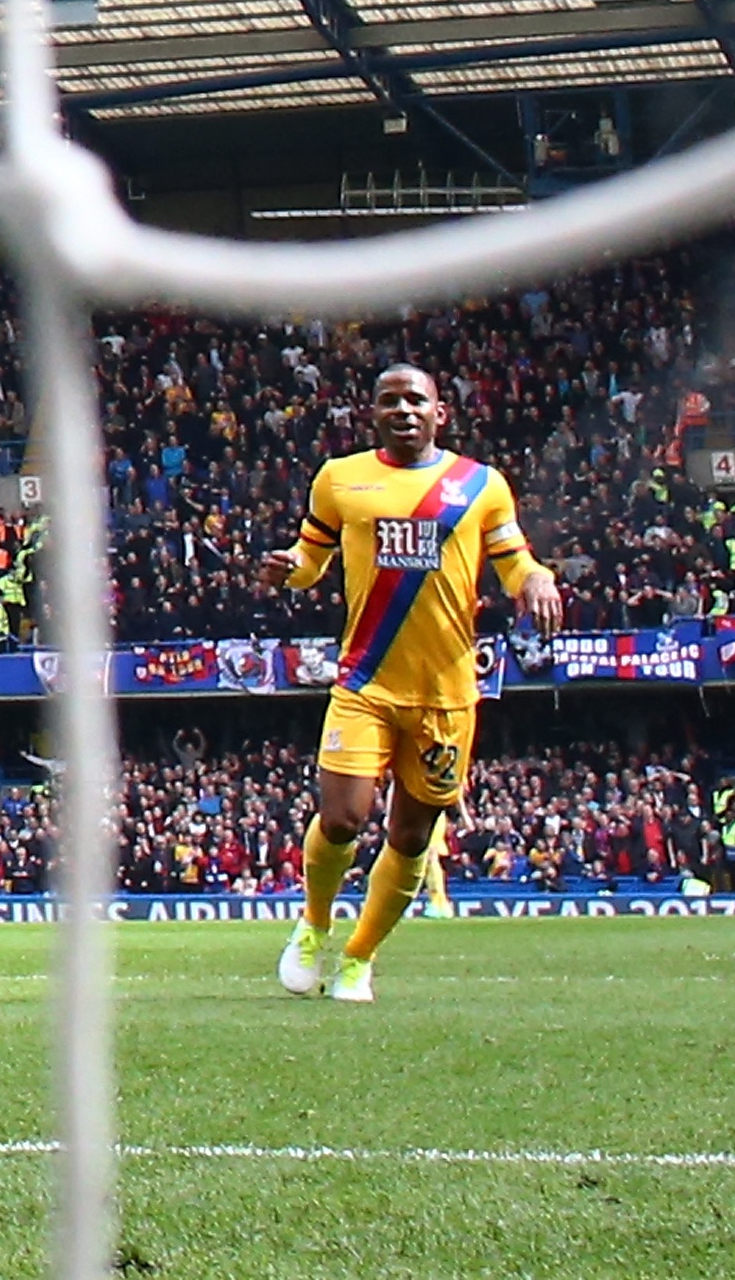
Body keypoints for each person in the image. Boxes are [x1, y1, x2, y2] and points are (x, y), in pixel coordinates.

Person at [261, 365, 561, 1002]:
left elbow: (514, 562)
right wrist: (289, 568)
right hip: (365, 681)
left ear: (440, 412)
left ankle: (358, 957)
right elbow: (310, 562)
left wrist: (536, 578)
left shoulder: (480, 486)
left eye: (415, 399)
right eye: (389, 400)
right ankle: (313, 925)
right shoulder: (340, 479)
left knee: (410, 837)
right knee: (343, 818)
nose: (402, 409)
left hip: (446, 693)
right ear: (372, 414)